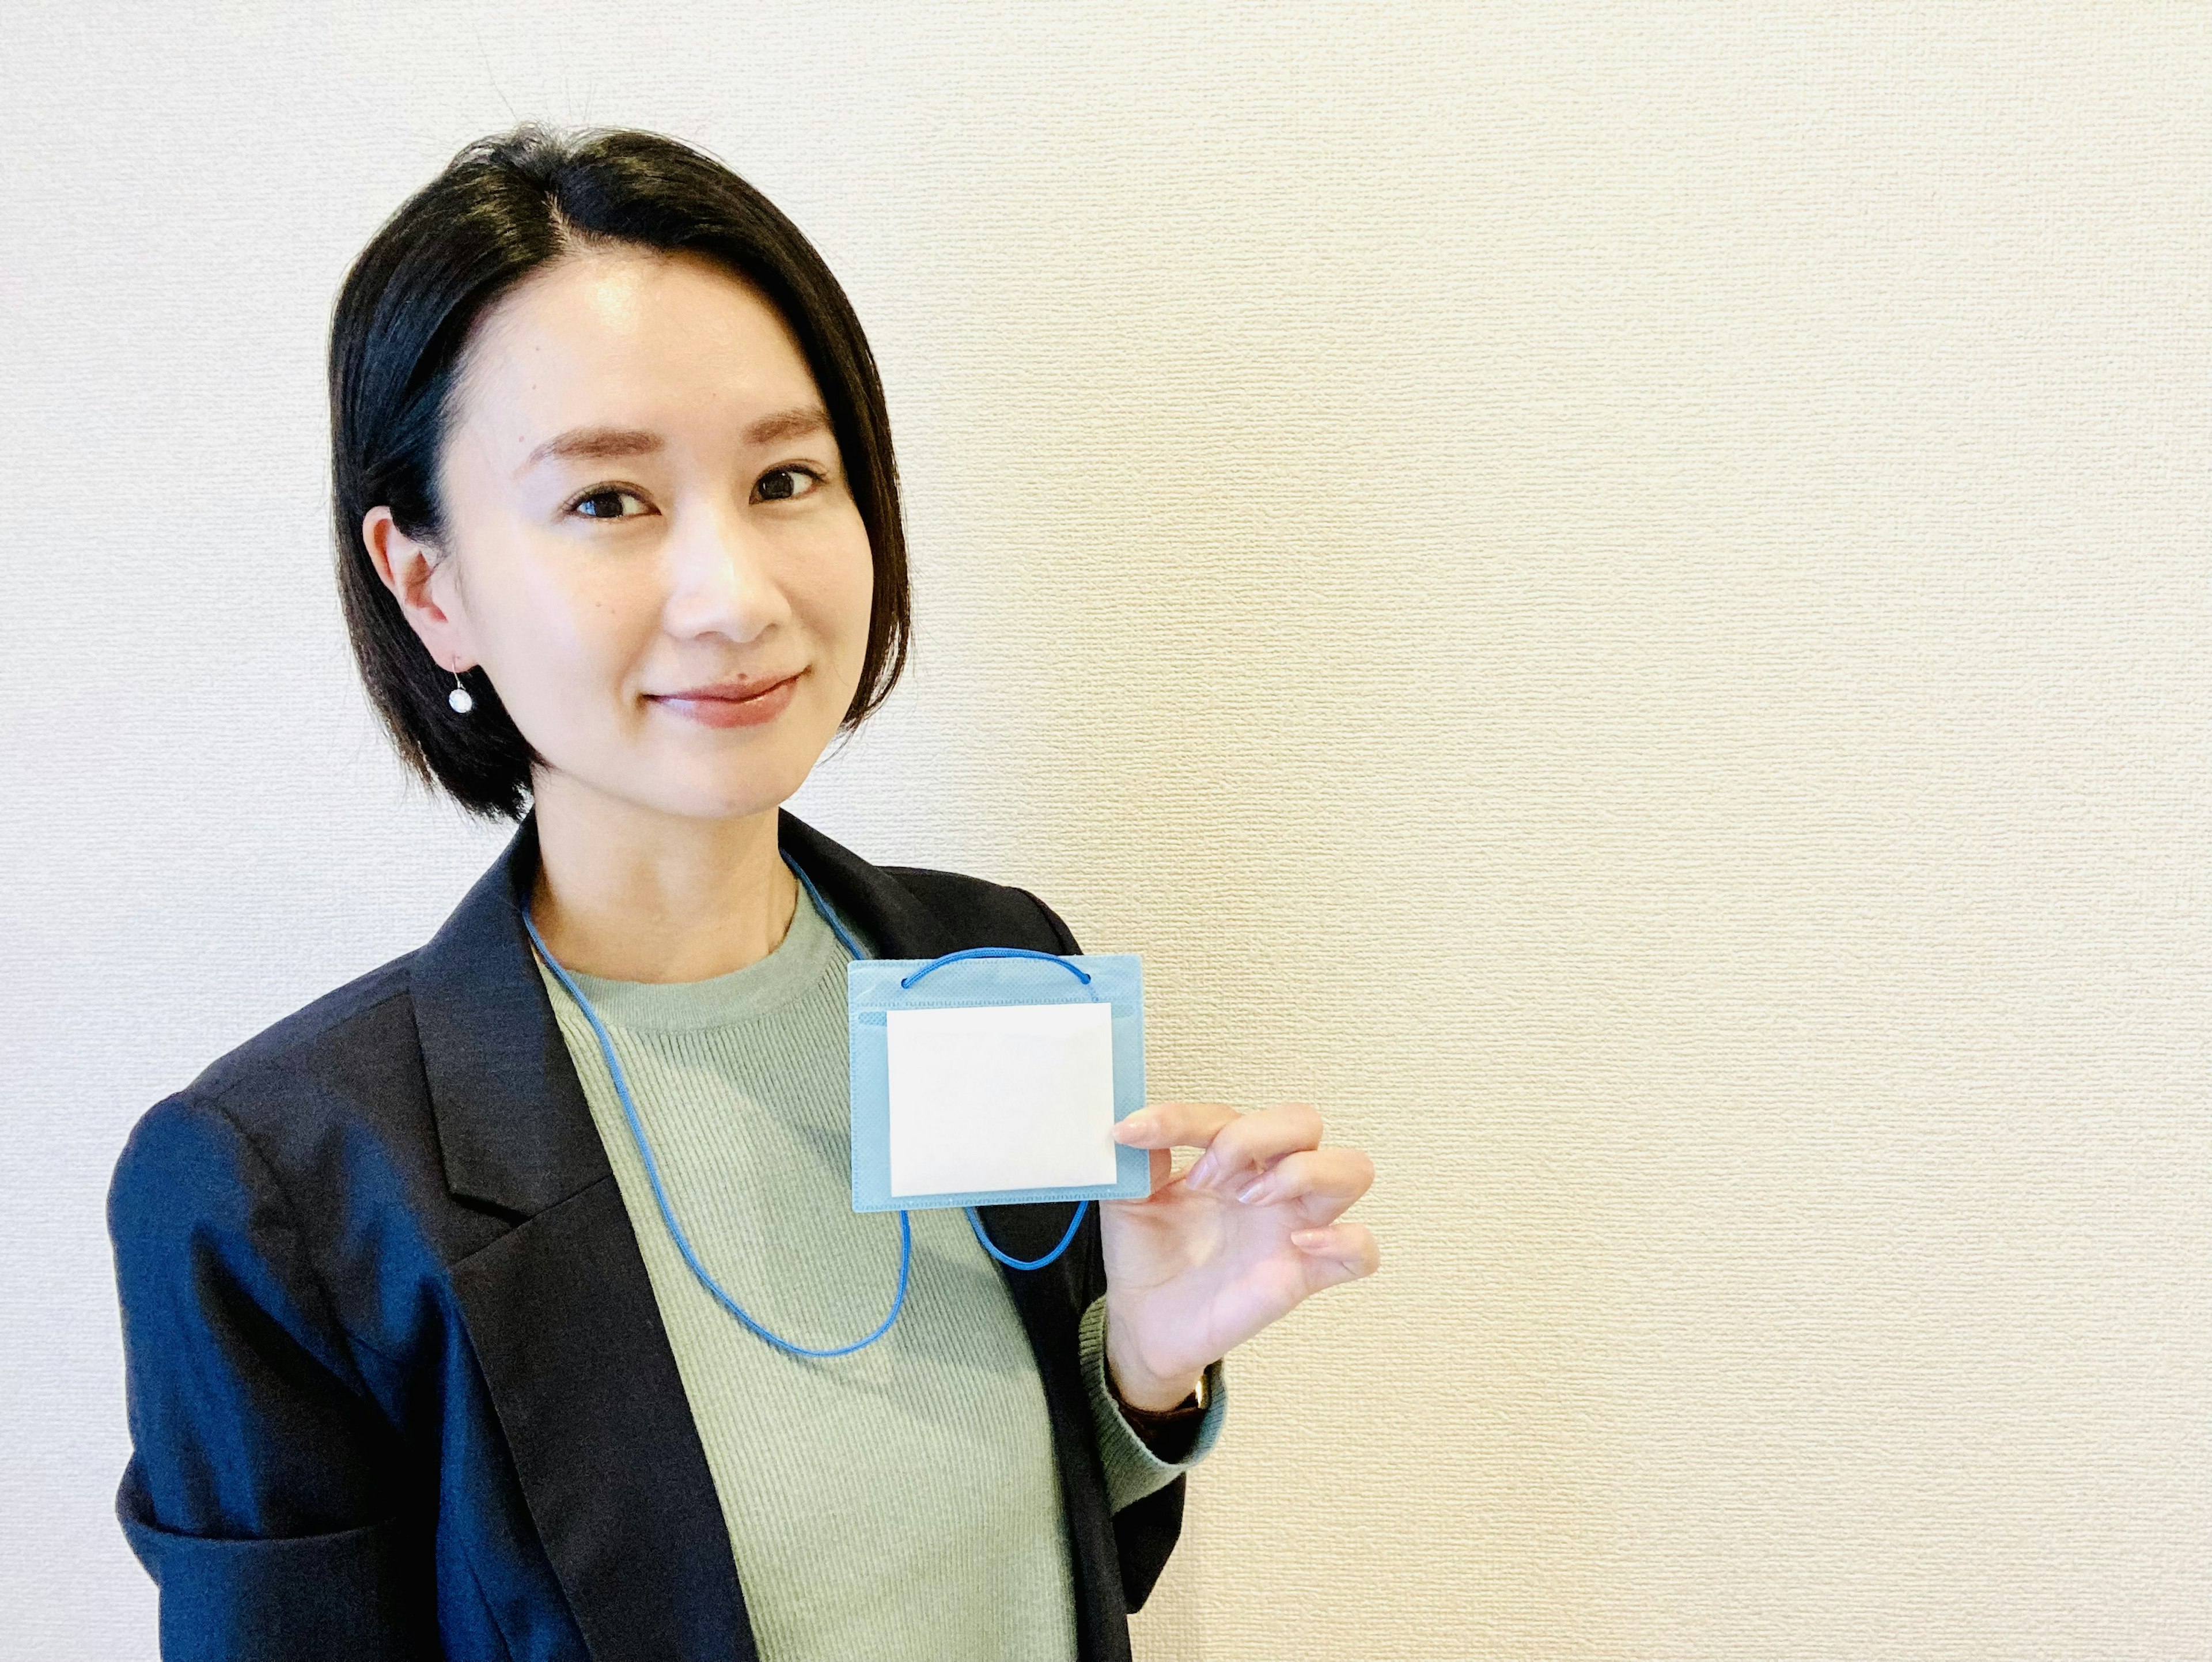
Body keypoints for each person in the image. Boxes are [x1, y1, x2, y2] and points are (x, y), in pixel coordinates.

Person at [107, 123, 1381, 1662]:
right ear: (428, 583)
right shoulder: (277, 1193)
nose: (735, 595)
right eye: (607, 503)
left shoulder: (994, 968)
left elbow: (1043, 1574)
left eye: (786, 476)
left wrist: (1142, 1377)